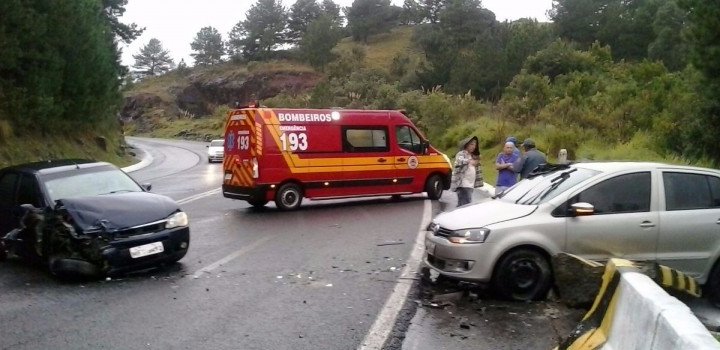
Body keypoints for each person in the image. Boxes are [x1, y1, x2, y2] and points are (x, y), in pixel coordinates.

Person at [450, 136, 479, 207]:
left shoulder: (472, 156)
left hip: (470, 185)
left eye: (475, 145)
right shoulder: (461, 154)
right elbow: (459, 161)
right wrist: (468, 161)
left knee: (464, 205)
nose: (473, 146)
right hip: (463, 184)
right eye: (471, 144)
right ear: (466, 145)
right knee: (465, 206)